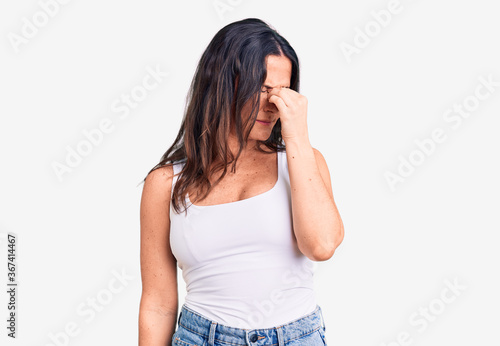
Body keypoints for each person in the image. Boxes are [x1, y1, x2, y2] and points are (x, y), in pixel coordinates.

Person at [138, 18, 344, 346]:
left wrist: (297, 138)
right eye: (262, 90)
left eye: (283, 91)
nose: (273, 105)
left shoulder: (303, 161)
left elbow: (321, 246)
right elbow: (158, 305)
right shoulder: (165, 183)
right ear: (221, 84)